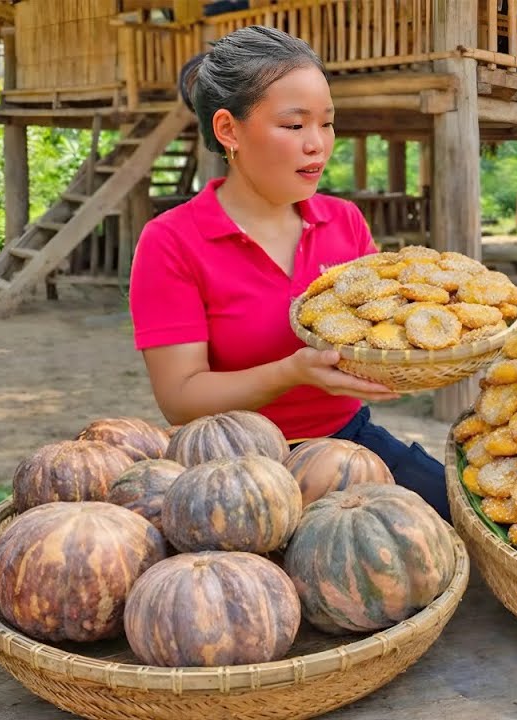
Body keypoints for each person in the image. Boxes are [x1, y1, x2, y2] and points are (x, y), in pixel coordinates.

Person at [128, 26, 451, 520]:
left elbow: (380, 332)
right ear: (228, 130)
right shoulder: (171, 241)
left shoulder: (344, 221)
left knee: (461, 513)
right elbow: (179, 399)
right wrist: (291, 373)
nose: (317, 145)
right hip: (230, 467)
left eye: (327, 123)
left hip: (346, 444)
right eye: (295, 126)